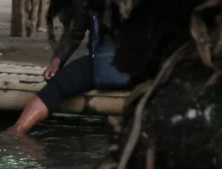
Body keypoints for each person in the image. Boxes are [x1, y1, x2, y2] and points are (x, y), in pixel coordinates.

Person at [7, 0, 130, 136]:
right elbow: (74, 33)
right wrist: (57, 61)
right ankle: (17, 131)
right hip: (103, 63)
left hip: (143, 68)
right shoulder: (89, 6)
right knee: (57, 86)